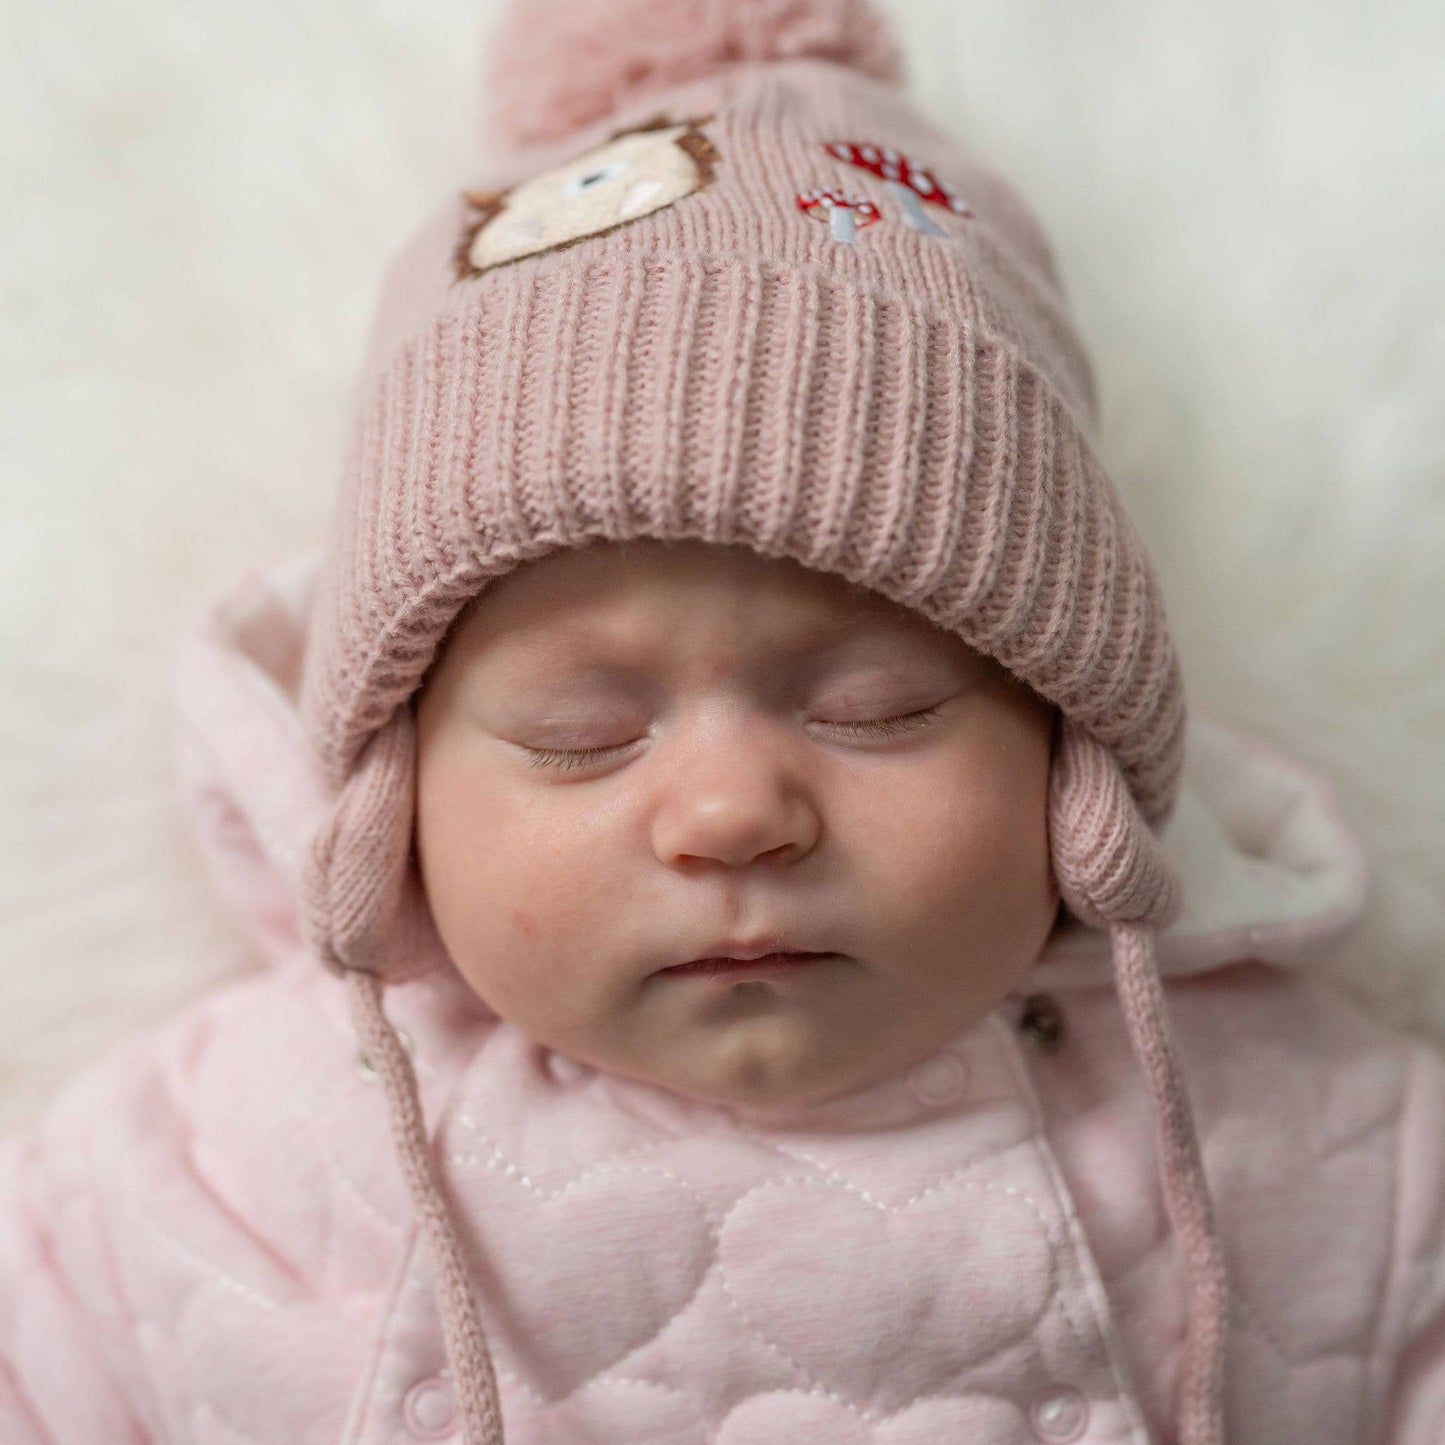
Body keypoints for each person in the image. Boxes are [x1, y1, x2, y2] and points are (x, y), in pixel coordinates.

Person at [3, 1, 1443, 1441]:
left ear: (1074, 756)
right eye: (578, 728)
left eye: (879, 707)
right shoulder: (208, 1168)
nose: (732, 810)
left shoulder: (1326, 1150)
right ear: (393, 790)